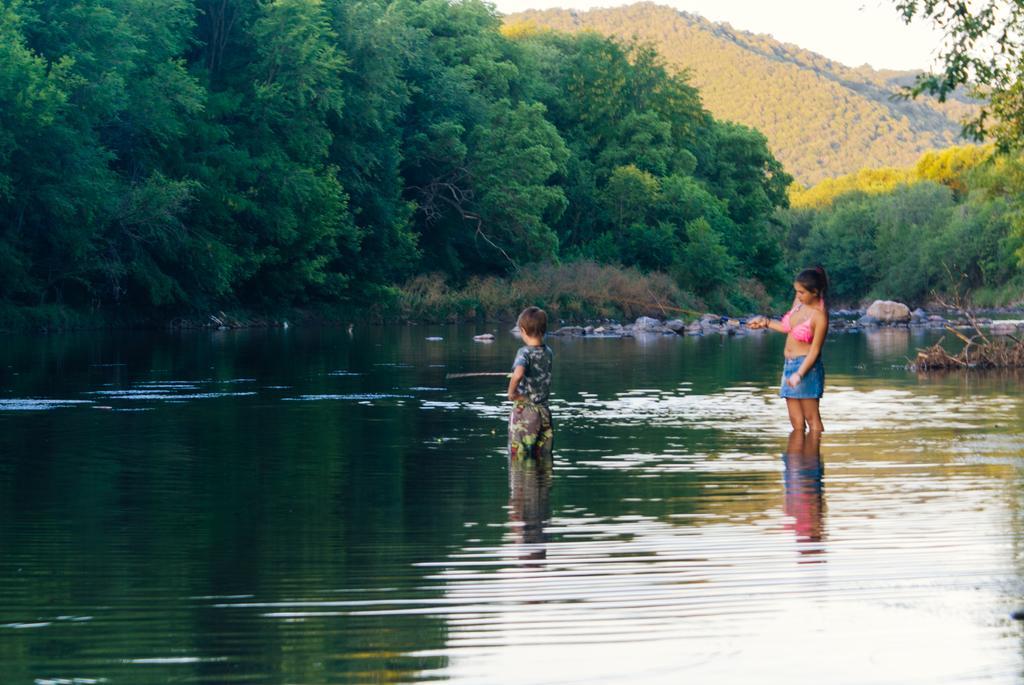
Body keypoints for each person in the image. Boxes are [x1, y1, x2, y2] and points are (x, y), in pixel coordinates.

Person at [747, 266, 829, 431]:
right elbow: (787, 328)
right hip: (789, 366)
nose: (797, 295)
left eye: (801, 292)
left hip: (806, 368)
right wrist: (765, 322)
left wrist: (799, 374)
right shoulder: (799, 304)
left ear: (814, 292)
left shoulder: (820, 316)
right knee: (796, 422)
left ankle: (813, 456)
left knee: (812, 420)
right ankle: (796, 457)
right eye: (796, 291)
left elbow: (815, 351)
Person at [507, 306, 554, 461]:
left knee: (519, 457)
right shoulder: (548, 352)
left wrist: (512, 392)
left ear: (522, 330)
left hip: (525, 413)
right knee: (543, 457)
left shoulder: (524, 352)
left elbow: (519, 374)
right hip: (544, 412)